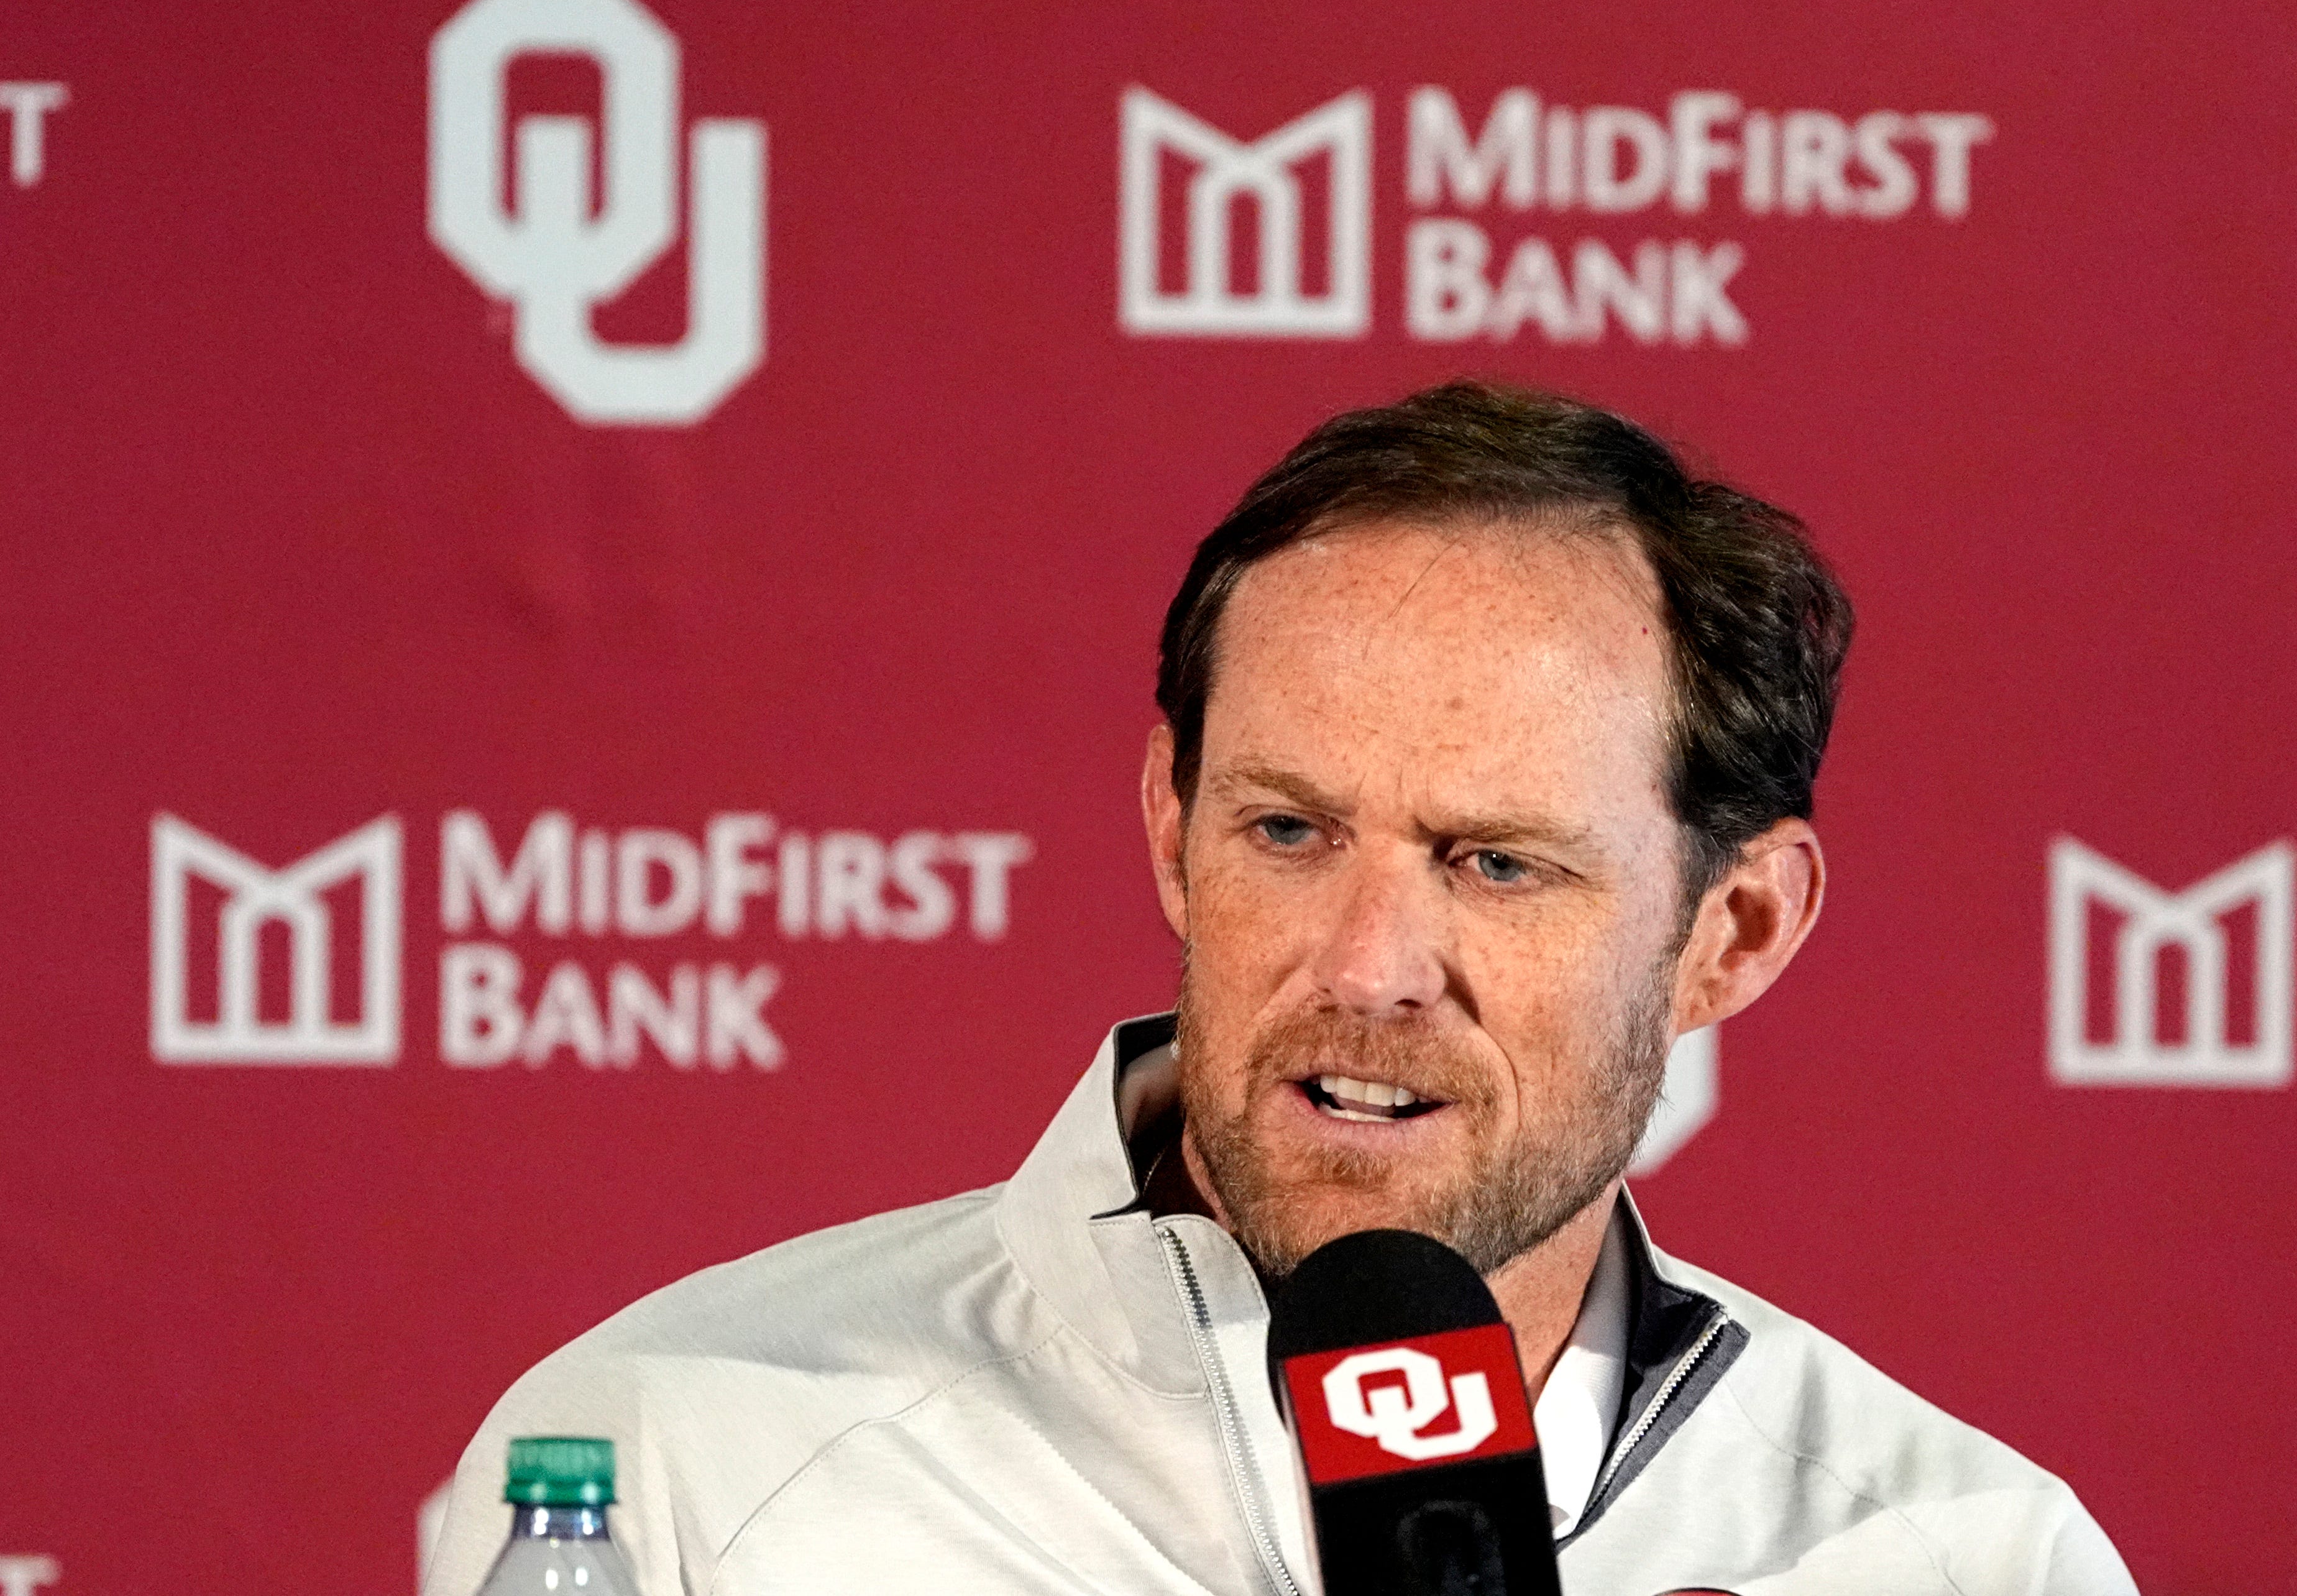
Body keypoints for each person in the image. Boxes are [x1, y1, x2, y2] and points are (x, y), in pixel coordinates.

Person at [425, 382, 2136, 1595]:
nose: (1367, 967)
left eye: (1497, 863)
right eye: (1291, 829)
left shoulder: (1962, 1557)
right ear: (1174, 829)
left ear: (1734, 932)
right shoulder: (676, 1468)